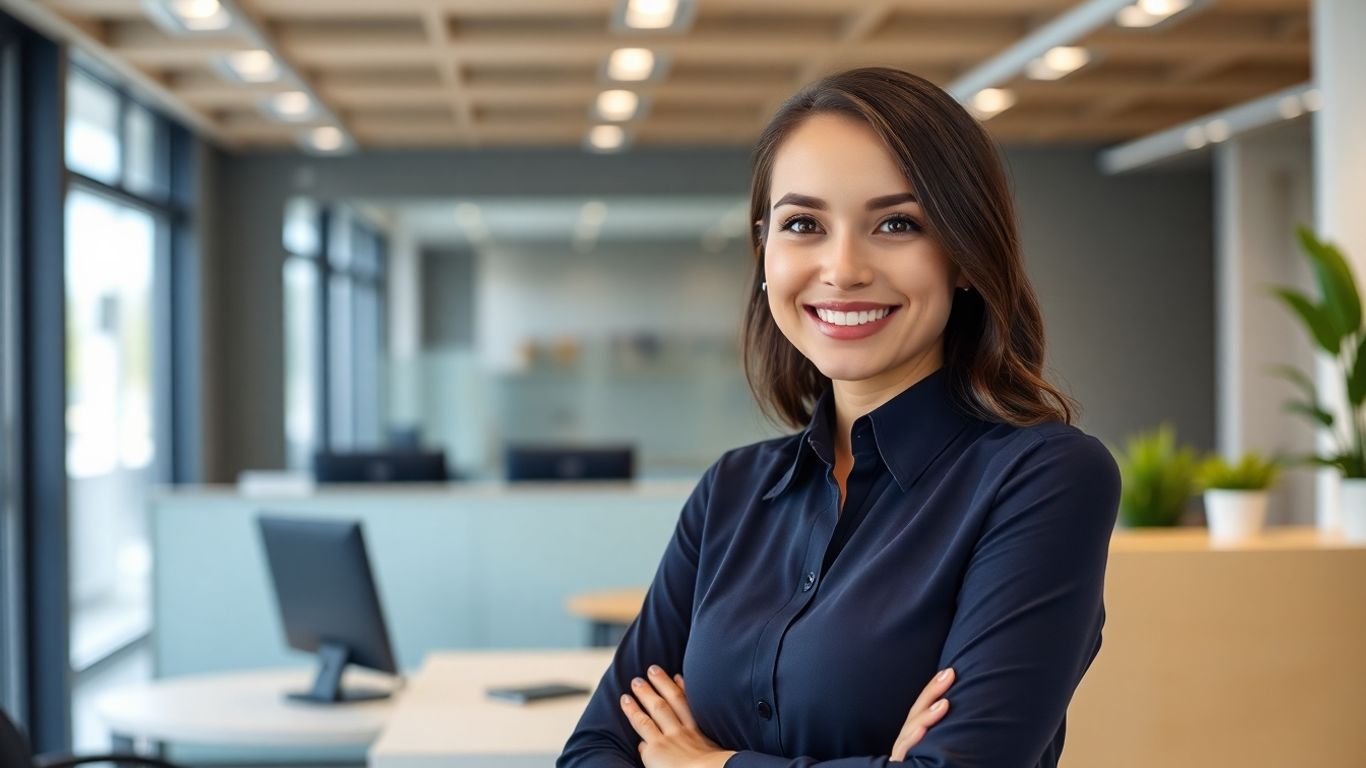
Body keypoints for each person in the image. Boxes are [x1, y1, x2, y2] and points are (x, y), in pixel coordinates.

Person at [557, 67, 1120, 768]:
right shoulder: (732, 490)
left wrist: (707, 763)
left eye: (897, 223)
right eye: (803, 225)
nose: (844, 268)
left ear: (965, 254)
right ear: (765, 251)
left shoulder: (1044, 479)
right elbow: (594, 751)